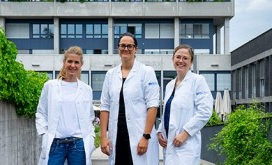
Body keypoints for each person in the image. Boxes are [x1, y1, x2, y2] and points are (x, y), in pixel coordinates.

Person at [99, 32, 160, 165]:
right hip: (117, 135)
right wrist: (103, 137)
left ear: (135, 49)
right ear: (118, 48)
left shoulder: (146, 72)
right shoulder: (110, 74)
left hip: (139, 134)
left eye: (129, 46)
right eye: (122, 46)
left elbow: (153, 106)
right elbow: (104, 107)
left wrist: (146, 136)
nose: (126, 49)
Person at [35, 46, 95, 165]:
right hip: (55, 144)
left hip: (78, 144)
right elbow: (41, 112)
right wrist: (44, 133)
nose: (73, 65)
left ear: (81, 64)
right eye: (70, 61)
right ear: (64, 62)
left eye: (76, 62)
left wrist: (91, 136)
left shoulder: (86, 89)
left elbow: (90, 117)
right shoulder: (50, 86)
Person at [157, 44, 213, 165]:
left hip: (186, 145)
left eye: (185, 58)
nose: (181, 61)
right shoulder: (169, 85)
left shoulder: (198, 81)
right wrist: (160, 131)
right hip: (169, 144)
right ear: (173, 59)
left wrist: (186, 133)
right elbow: (168, 111)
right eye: (178, 57)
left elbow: (205, 111)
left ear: (191, 62)